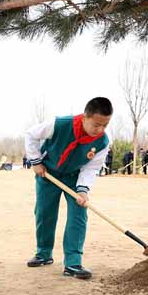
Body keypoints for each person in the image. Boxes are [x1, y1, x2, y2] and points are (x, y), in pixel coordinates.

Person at [24, 97, 112, 280]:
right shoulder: (60, 124)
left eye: (105, 125)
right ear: (84, 117)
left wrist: (82, 190)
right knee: (44, 213)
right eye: (96, 125)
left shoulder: (103, 141)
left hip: (75, 176)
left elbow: (92, 167)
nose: (101, 130)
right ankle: (44, 254)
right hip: (47, 173)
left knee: (79, 213)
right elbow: (31, 135)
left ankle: (73, 263)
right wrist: (36, 161)